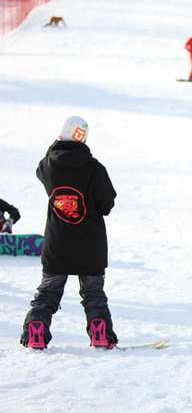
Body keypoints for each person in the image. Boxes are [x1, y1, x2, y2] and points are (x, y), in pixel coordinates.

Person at [20, 116, 118, 350]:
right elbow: (107, 203)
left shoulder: (48, 165)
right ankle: (100, 333)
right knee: (93, 293)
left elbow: (40, 169)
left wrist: (55, 146)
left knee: (48, 292)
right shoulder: (95, 168)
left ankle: (36, 330)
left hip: (57, 242)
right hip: (90, 243)